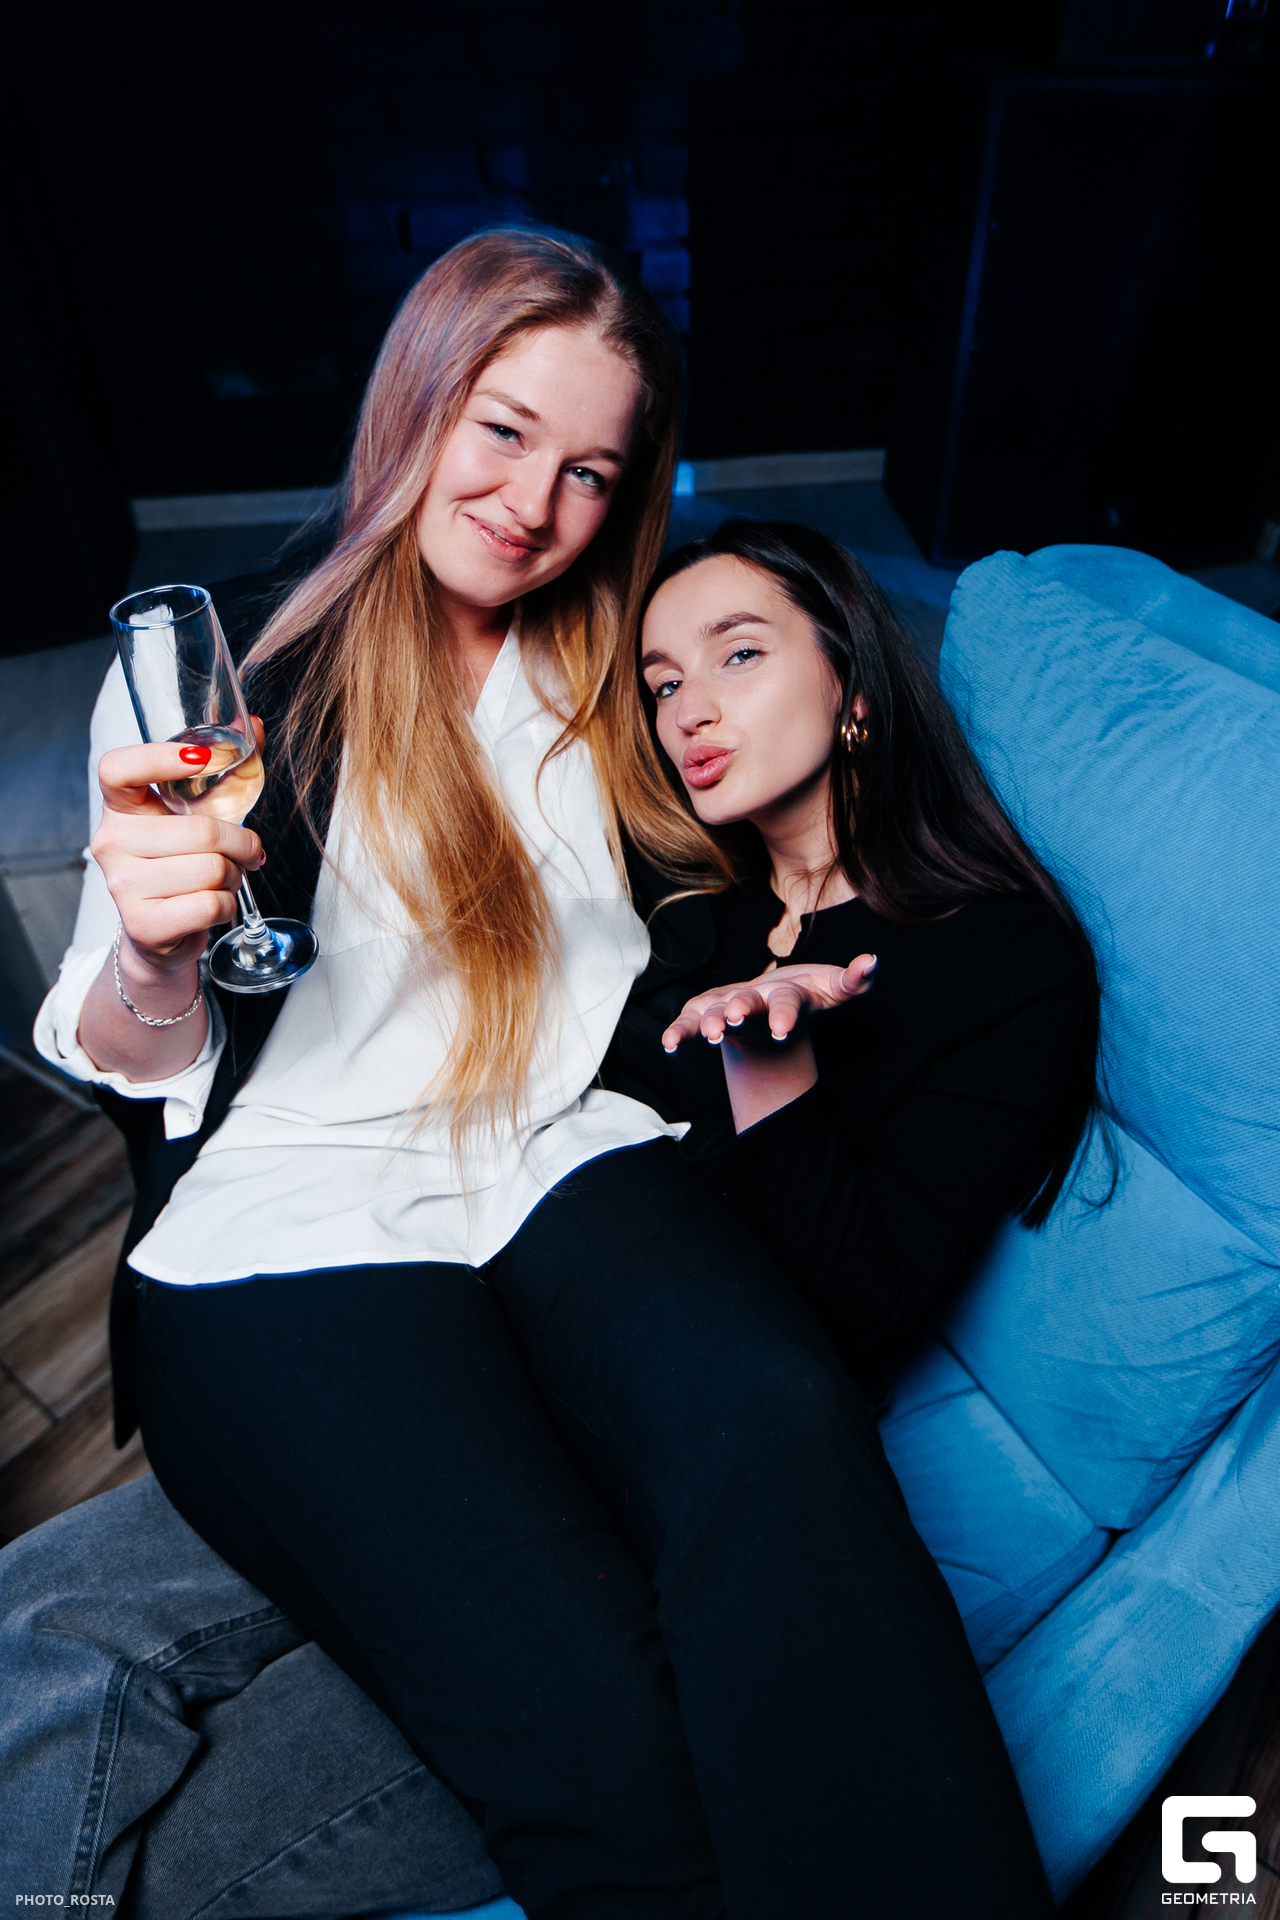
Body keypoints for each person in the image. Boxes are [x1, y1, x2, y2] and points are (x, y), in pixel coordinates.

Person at [25, 228, 1058, 1919]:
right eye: (503, 432)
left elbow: (772, 760)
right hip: (299, 1210)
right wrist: (149, 952)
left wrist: (814, 969)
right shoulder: (229, 678)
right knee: (599, 1731)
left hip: (568, 1152)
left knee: (783, 1432)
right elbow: (123, 1056)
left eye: (590, 471)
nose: (531, 505)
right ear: (419, 403)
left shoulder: (618, 671)